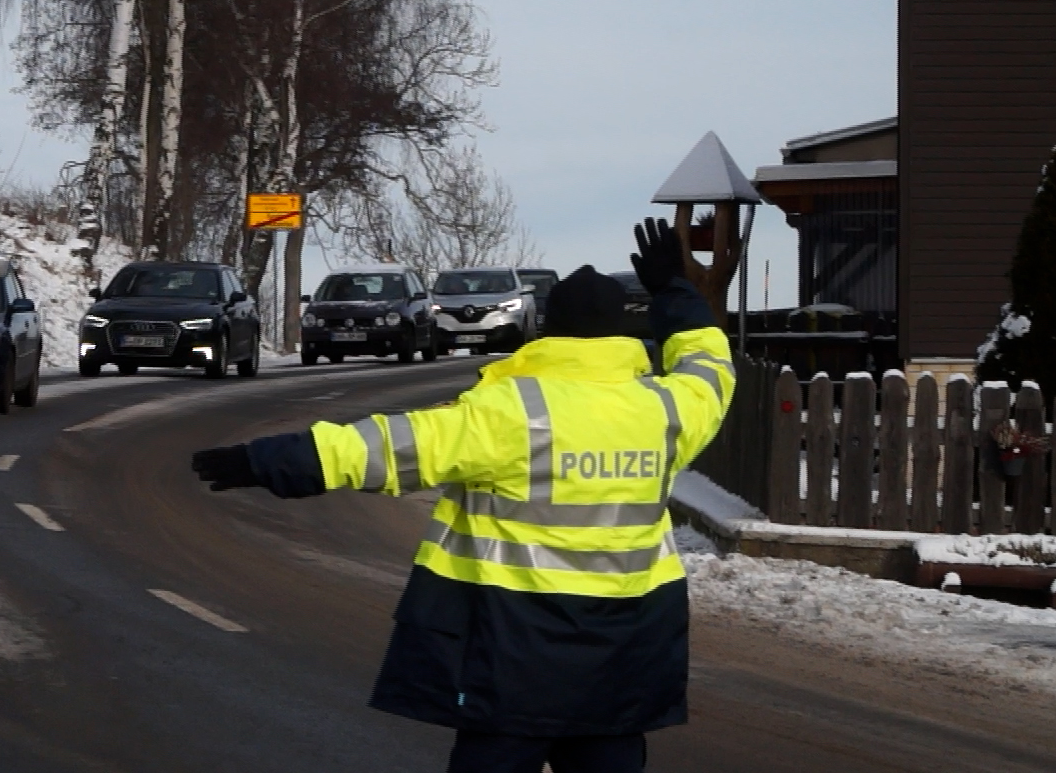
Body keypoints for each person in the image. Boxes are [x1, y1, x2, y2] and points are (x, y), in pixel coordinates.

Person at [192, 219, 732, 773]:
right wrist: (675, 292)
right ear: (621, 333)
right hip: (626, 656)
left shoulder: (513, 410)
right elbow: (711, 369)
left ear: (548, 329)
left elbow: (388, 447)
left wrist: (264, 461)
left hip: (514, 655)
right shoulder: (667, 410)